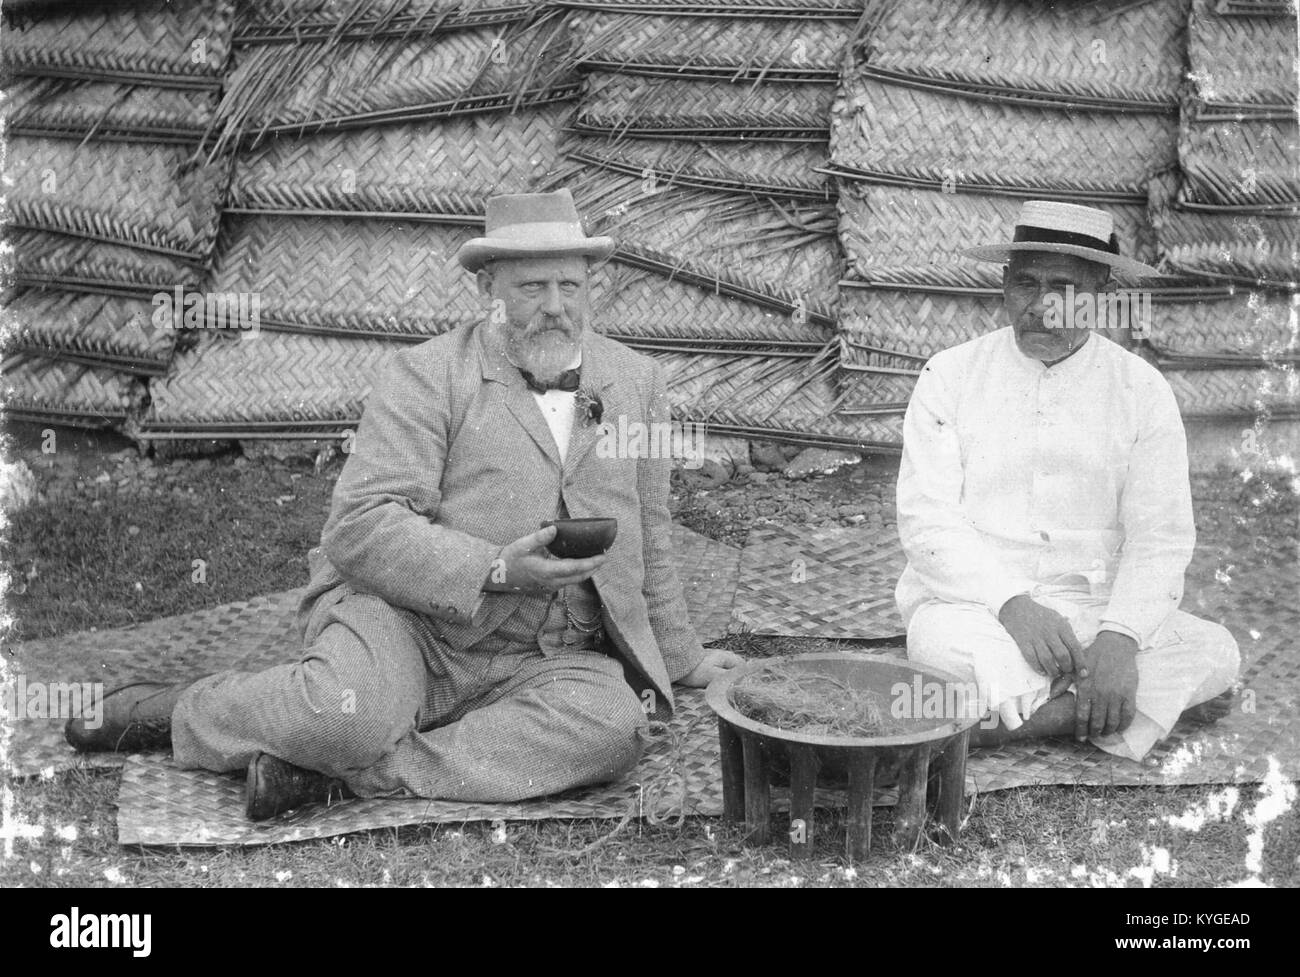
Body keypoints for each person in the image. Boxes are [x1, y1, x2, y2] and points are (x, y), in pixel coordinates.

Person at [67, 189, 741, 817]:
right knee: (340, 716)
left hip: (546, 658)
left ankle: (348, 772)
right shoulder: (425, 375)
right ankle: (189, 709)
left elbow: (651, 530)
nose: (555, 306)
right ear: (489, 290)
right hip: (410, 625)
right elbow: (359, 526)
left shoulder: (636, 381)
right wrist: (496, 569)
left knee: (614, 729)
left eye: (571, 285)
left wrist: (678, 657)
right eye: (532, 287)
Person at [895, 200, 1239, 761]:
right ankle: (1098, 711)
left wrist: (1120, 637)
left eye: (1065, 287)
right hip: (981, 609)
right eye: (1026, 284)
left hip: (1096, 610)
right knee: (938, 644)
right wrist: (1012, 605)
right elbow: (926, 519)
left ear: (1101, 292)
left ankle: (1000, 723)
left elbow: (1161, 535)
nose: (1043, 307)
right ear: (1004, 286)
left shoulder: (1141, 390)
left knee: (1215, 650)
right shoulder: (949, 375)